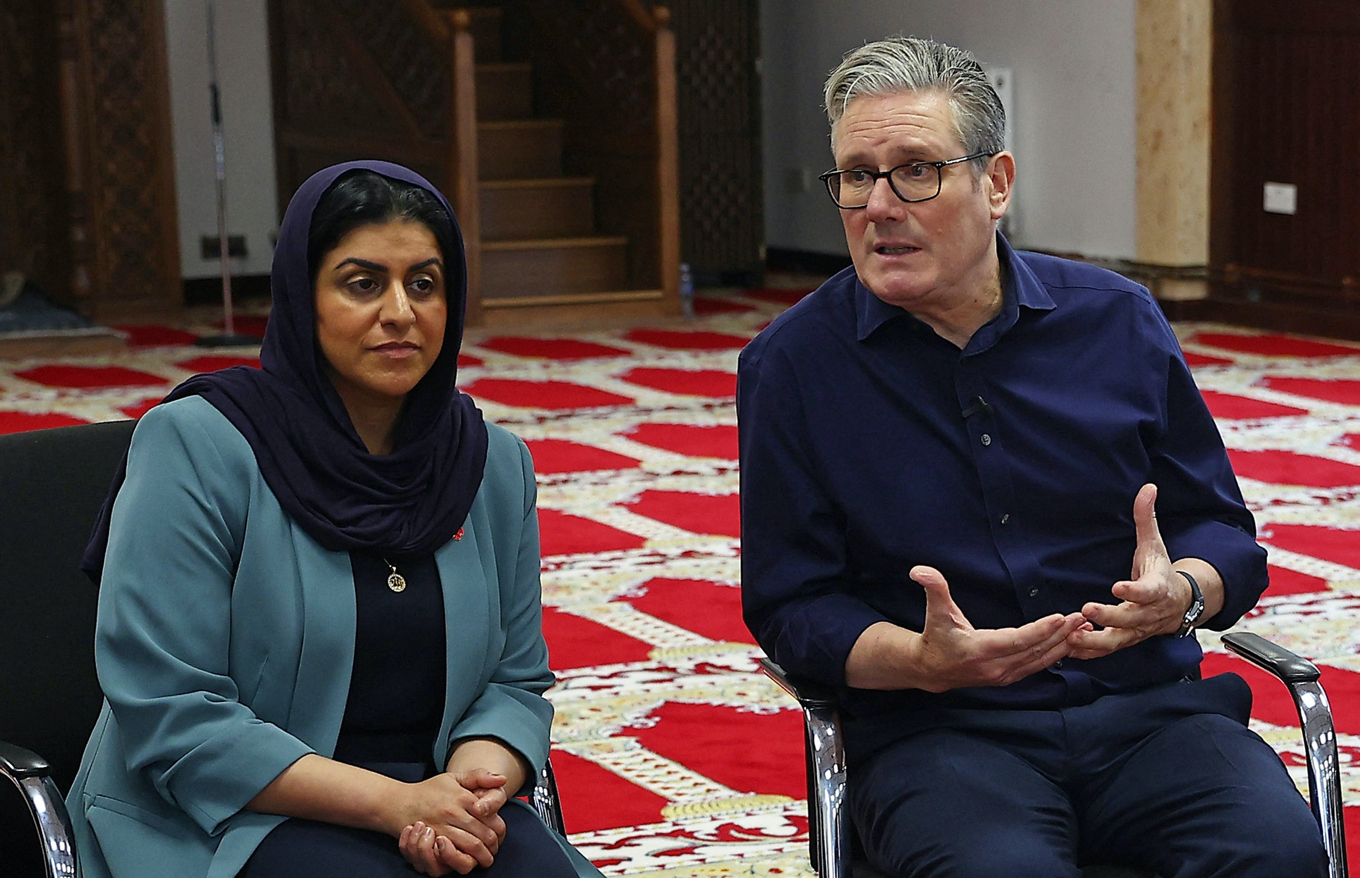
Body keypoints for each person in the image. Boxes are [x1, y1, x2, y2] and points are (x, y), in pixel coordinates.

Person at [738, 37, 1328, 878]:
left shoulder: (1117, 320)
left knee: (1277, 854)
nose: (879, 205)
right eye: (858, 176)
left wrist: (1182, 594)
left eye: (916, 171)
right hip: (940, 736)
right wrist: (920, 662)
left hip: (1151, 716)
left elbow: (1221, 532)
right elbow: (793, 604)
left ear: (997, 183)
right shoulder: (793, 366)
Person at [66, 160, 601, 878]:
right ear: (302, 297)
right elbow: (174, 711)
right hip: (227, 813)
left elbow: (514, 683)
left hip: (437, 800)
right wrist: (396, 805)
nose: (400, 312)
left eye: (424, 284)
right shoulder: (199, 447)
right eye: (363, 284)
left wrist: (470, 793)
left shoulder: (489, 465)